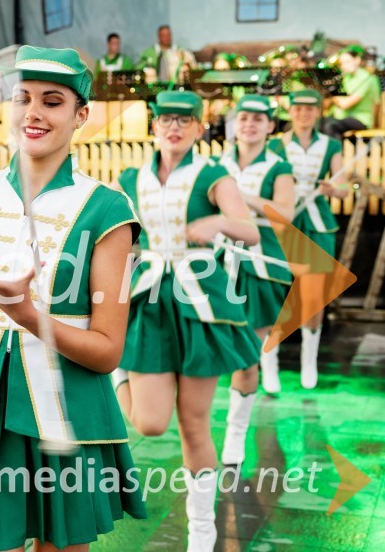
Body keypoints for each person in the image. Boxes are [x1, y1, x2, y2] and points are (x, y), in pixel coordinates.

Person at [0, 46, 146, 551]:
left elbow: (107, 351)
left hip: (69, 407)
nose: (33, 112)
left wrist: (30, 317)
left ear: (81, 115)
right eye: (23, 98)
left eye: (53, 101)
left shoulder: (108, 209)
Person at [111, 91, 260, 551]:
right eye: (166, 120)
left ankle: (202, 533)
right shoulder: (129, 177)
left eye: (185, 121)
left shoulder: (213, 175)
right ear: (153, 126)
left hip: (201, 302)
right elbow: (117, 239)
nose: (174, 128)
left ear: (199, 128)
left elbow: (250, 230)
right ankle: (117, 374)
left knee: (194, 424)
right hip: (150, 298)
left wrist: (216, 223)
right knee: (150, 424)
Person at [215, 95, 295, 465]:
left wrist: (238, 195)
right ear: (233, 124)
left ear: (270, 126)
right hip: (214, 264)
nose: (249, 124)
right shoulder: (215, 163)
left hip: (262, 267)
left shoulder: (279, 167)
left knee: (247, 357)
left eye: (258, 119)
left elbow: (285, 213)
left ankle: (235, 436)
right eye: (243, 117)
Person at [268, 89, 349, 391]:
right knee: (275, 290)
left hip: (317, 223)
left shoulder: (331, 145)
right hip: (282, 222)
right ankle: (270, 364)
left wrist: (334, 188)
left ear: (318, 112)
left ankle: (309, 362)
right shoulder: (276, 144)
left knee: (313, 294)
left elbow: (343, 187)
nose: (303, 113)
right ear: (291, 111)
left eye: (309, 109)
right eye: (298, 108)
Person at [322, 45, 382, 139]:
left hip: (361, 119)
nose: (344, 66)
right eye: (341, 63)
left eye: (347, 62)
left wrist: (332, 97)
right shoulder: (345, 78)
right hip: (341, 117)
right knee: (319, 122)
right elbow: (327, 103)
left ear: (357, 60)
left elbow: (346, 103)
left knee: (330, 125)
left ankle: (335, 153)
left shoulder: (366, 78)